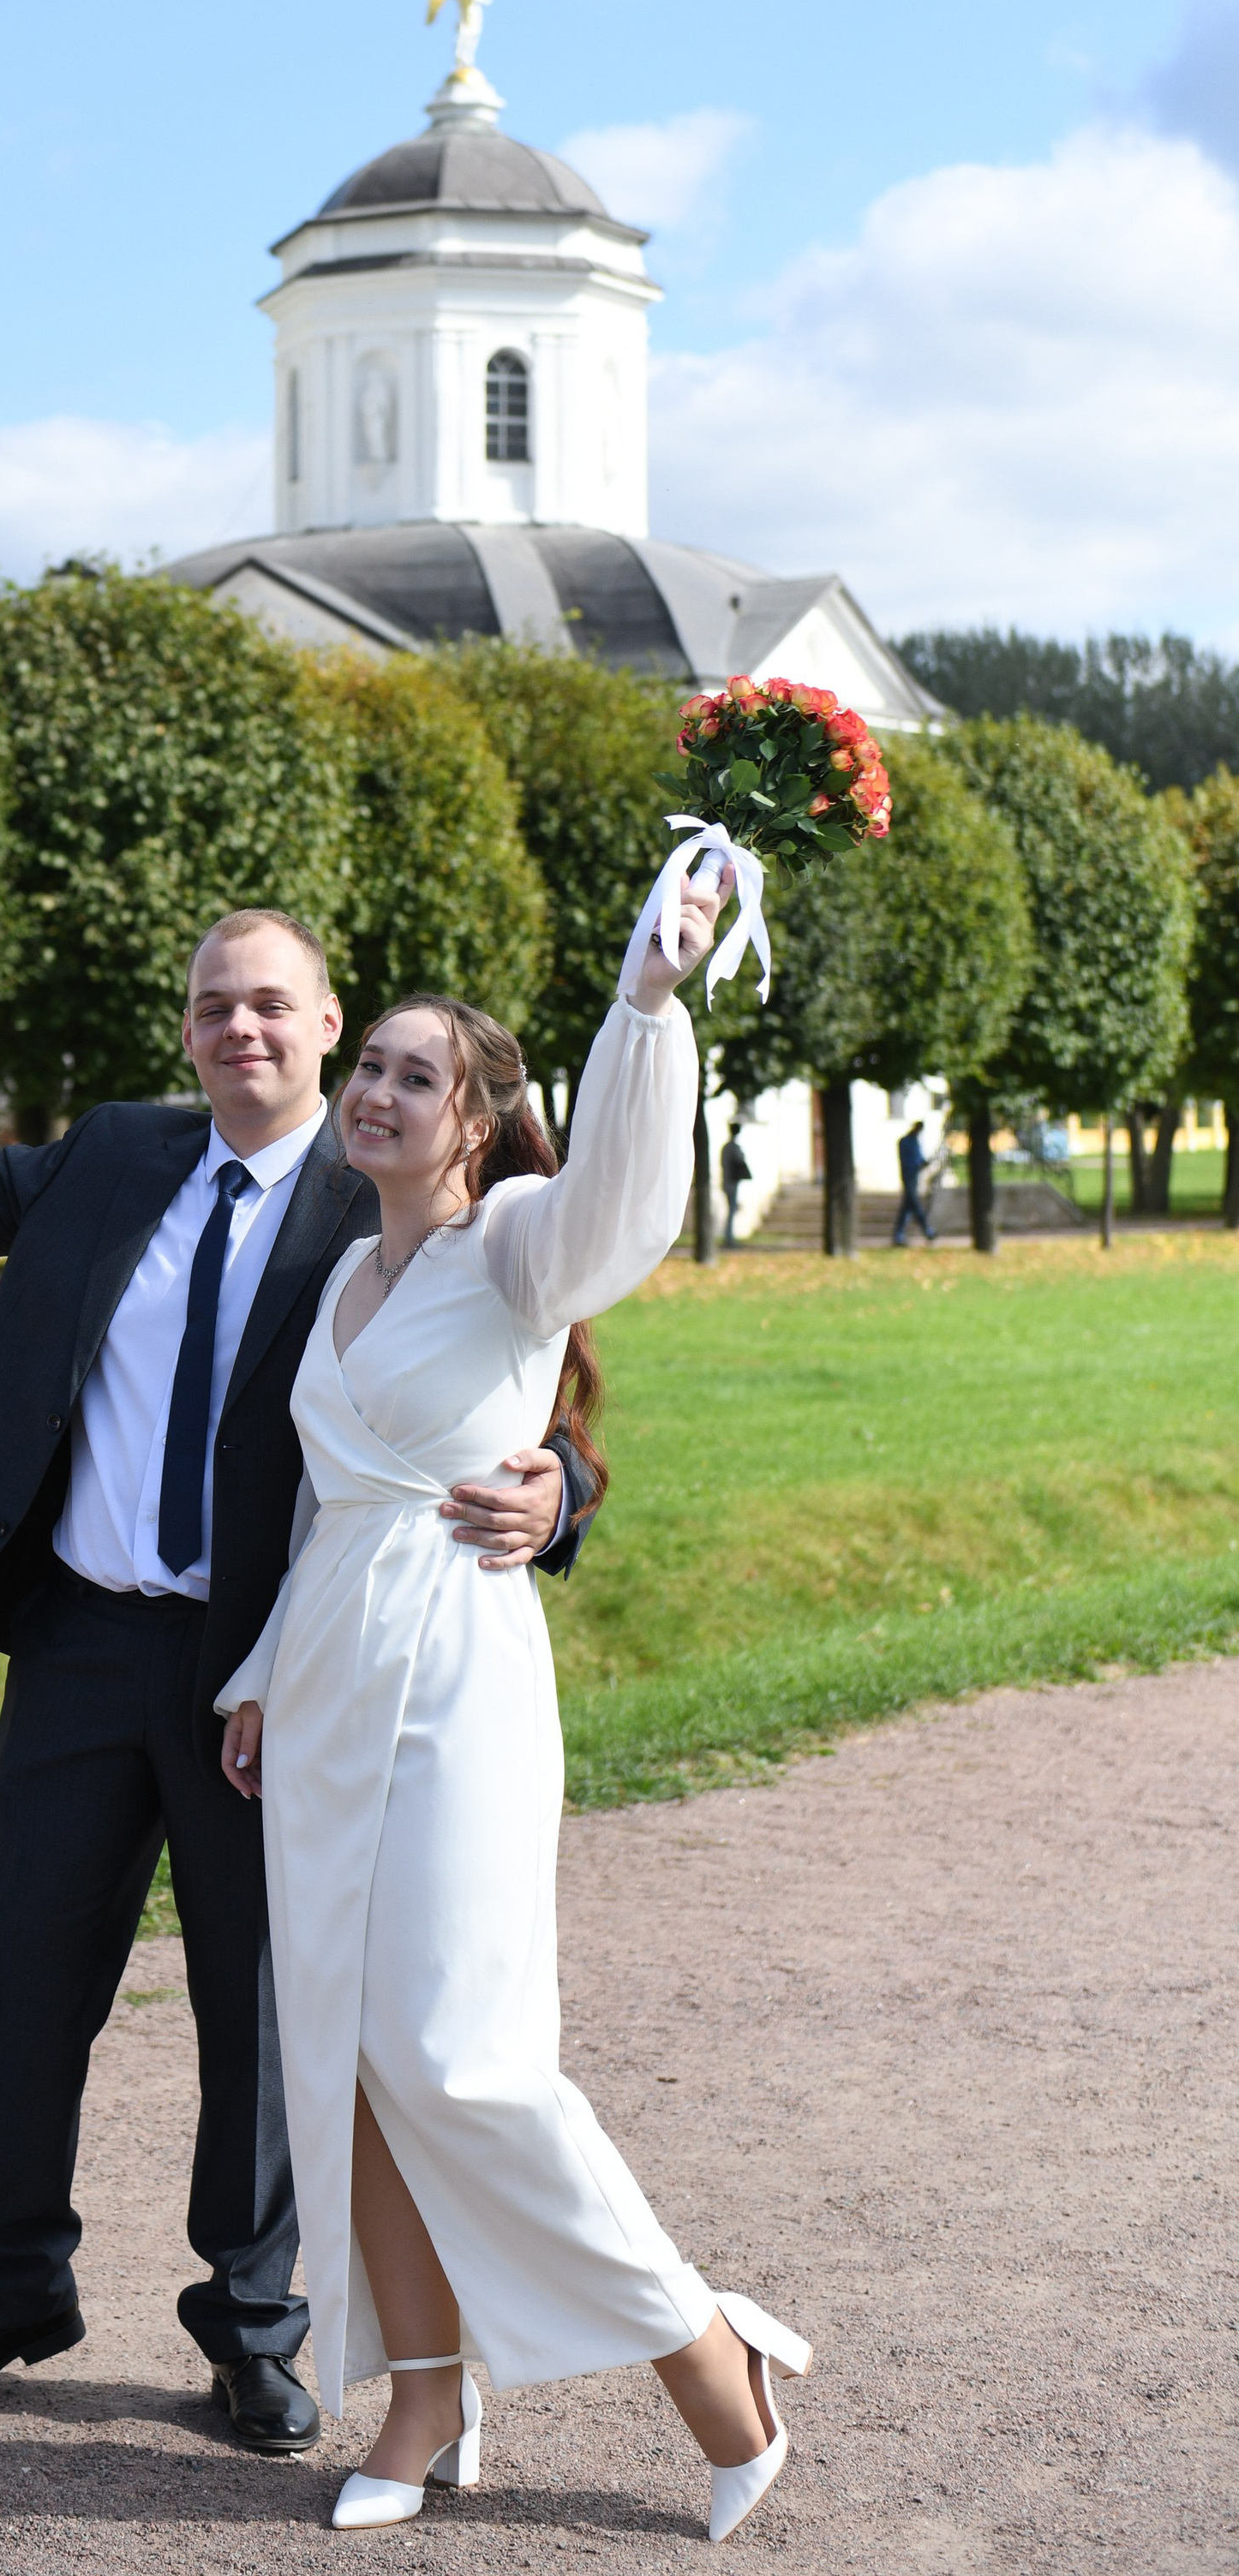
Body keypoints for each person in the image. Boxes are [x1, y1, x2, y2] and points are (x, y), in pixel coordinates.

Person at [0, 905, 602, 2453]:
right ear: (188, 1025)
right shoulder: (115, 1154)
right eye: (215, 1005)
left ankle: (252, 2327)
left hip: (265, 1669)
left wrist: (564, 1496)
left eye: (272, 1004)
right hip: (77, 1644)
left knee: (259, 2005)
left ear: (328, 1026)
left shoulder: (386, 1195)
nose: (240, 1028)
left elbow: (530, 1376)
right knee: (16, 1973)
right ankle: (4, 2293)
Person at [215, 873, 811, 2543]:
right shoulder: (340, 1274)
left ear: (476, 1121)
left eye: (416, 1073)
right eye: (372, 1066)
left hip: (459, 1675)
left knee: (460, 2058)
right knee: (345, 2062)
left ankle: (710, 2364)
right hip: (327, 1677)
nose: (376, 1089)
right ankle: (423, 2392)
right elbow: (327, 1501)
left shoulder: (512, 1248)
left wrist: (644, 1004)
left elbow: (621, 1200)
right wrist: (259, 1672)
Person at [892, 1117, 937, 1248]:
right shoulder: (905, 1141)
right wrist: (919, 1164)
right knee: (915, 1205)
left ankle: (899, 1234)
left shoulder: (915, 1142)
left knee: (907, 1208)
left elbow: (918, 1158)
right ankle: (927, 1230)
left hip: (914, 1177)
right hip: (908, 1177)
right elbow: (908, 1161)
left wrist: (924, 1162)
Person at [718, 1119, 752, 1248]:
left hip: (728, 1182)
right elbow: (738, 1161)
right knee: (732, 1210)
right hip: (731, 1183)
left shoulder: (726, 1147)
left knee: (732, 1209)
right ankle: (729, 1239)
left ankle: (729, 1237)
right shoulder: (733, 1148)